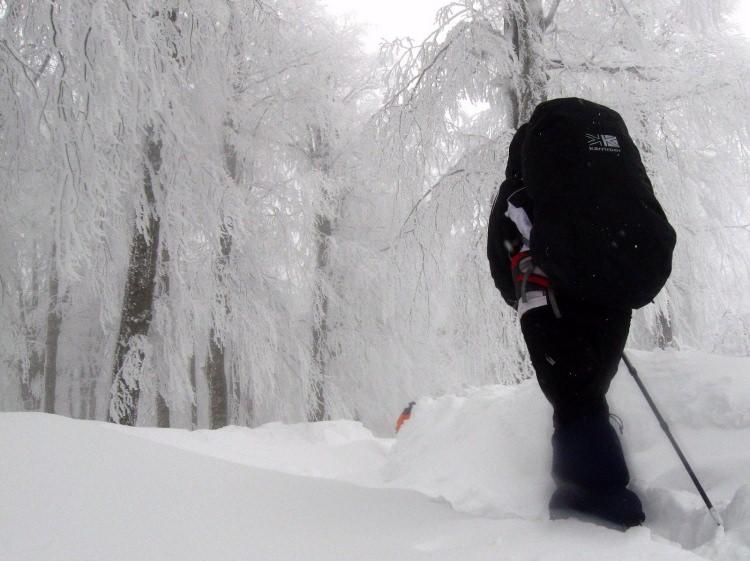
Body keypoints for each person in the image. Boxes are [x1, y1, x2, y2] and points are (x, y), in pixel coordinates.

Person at [487, 122, 646, 528]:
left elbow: (501, 248)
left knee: (574, 397)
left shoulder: (518, 193)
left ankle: (593, 501)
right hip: (608, 286)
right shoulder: (596, 185)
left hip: (542, 294)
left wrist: (516, 293)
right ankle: (594, 488)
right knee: (589, 390)